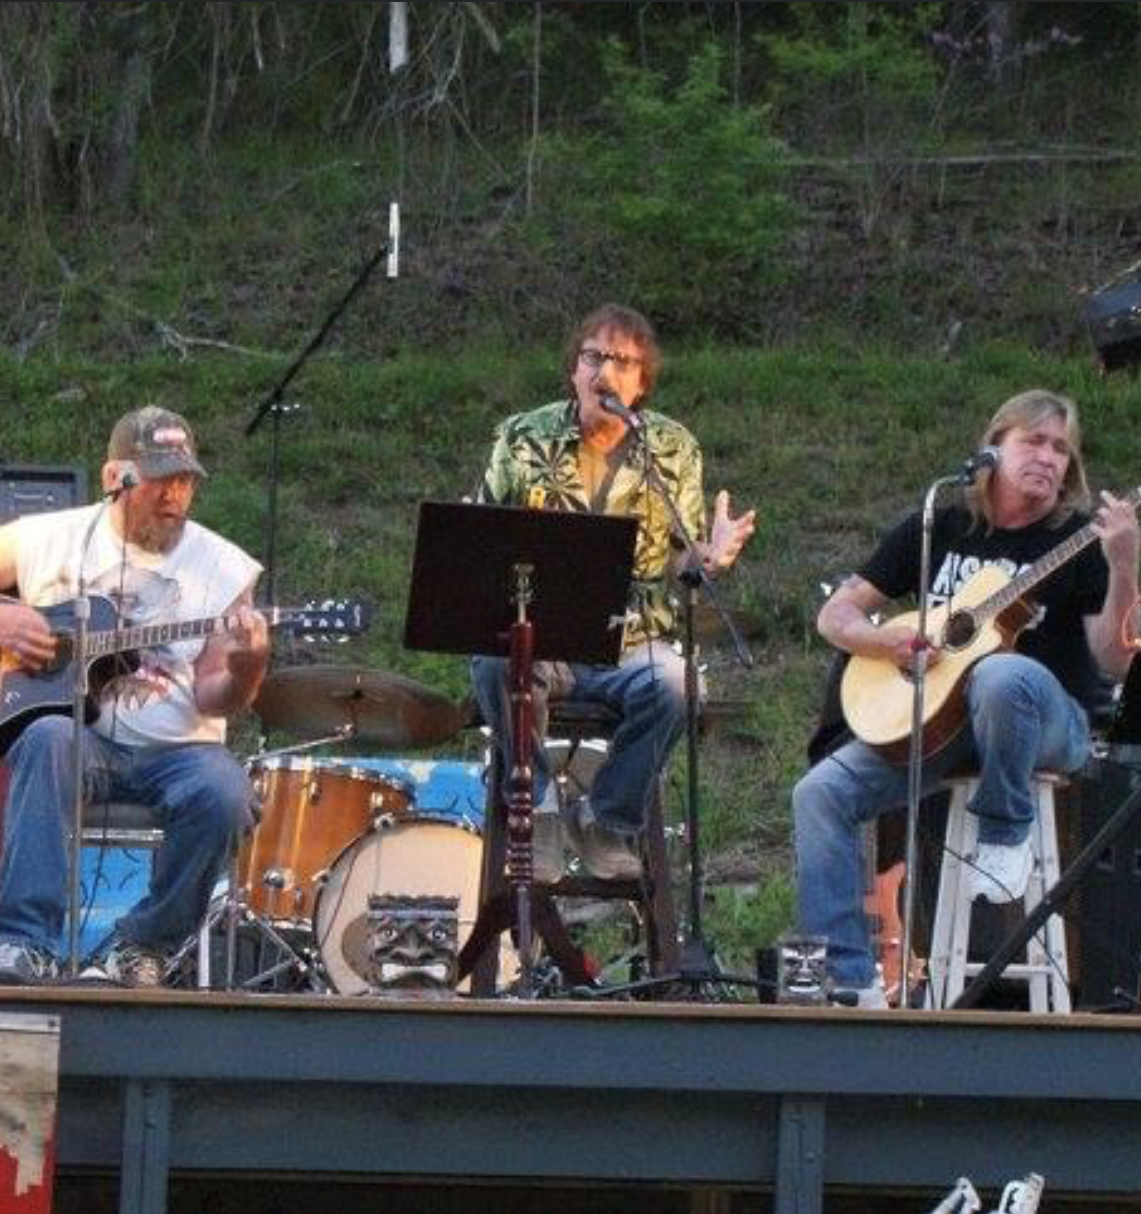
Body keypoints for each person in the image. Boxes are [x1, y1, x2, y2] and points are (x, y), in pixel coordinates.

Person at [793, 389, 1139, 1007]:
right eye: (1034, 441)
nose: (1049, 458)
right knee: (820, 793)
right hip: (938, 722)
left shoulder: (1081, 541)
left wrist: (1124, 567)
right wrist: (889, 644)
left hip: (1048, 721)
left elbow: (1114, 659)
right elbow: (836, 616)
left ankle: (1004, 833)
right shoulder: (939, 525)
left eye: (1062, 449)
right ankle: (850, 980)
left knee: (1001, 675)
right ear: (993, 447)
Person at [0, 406, 270, 987]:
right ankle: (22, 945)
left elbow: (217, 697)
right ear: (117, 477)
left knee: (226, 793)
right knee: (46, 736)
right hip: (78, 737)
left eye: (185, 481)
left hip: (177, 752)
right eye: (161, 479)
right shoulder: (50, 538)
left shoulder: (224, 567)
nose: (175, 495)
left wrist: (248, 664)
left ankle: (142, 947)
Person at [471, 303, 756, 882]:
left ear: (641, 381)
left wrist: (708, 557)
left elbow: (681, 557)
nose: (605, 371)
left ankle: (608, 820)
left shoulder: (672, 447)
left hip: (633, 639)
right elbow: (481, 531)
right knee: (496, 663)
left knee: (680, 683)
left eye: (622, 361)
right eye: (593, 356)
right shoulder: (522, 436)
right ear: (574, 368)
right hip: (540, 635)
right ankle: (540, 812)